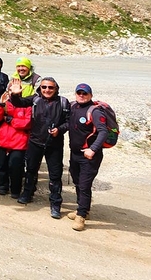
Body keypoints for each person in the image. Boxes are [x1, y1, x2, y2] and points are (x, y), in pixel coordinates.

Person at [20, 76, 69, 217]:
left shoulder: (63, 102)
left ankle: (55, 204)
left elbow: (68, 122)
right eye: (44, 87)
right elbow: (20, 103)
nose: (47, 90)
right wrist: (15, 94)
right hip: (35, 141)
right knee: (30, 169)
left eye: (50, 87)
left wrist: (59, 130)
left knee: (55, 175)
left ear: (56, 89)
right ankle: (27, 193)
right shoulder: (35, 99)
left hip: (55, 144)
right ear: (40, 88)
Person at [68, 83, 110, 231]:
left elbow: (103, 131)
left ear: (90, 95)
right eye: (79, 93)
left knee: (84, 185)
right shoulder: (74, 107)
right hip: (75, 153)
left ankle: (81, 216)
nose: (81, 95)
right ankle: (83, 209)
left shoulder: (95, 111)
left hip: (89, 156)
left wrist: (92, 149)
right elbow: (68, 125)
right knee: (77, 182)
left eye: (84, 93)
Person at [0, 84, 32, 198]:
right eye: (11, 90)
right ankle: (2, 187)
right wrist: (0, 104)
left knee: (16, 166)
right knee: (2, 165)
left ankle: (16, 190)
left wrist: (11, 120)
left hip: (19, 141)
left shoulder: (27, 105)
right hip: (3, 139)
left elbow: (27, 123)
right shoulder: (5, 104)